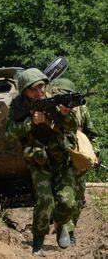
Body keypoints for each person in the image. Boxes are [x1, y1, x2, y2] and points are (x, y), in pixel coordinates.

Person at [6, 68, 78, 256]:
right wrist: (31, 122)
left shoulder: (56, 98)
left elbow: (73, 127)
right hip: (38, 159)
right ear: (25, 91)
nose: (39, 92)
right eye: (34, 89)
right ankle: (38, 240)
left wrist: (65, 114)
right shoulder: (18, 106)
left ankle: (60, 224)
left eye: (42, 87)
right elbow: (9, 133)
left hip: (62, 157)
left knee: (67, 203)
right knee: (45, 201)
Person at [48, 78, 100, 247]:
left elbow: (92, 134)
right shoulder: (48, 110)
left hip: (78, 160)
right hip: (58, 161)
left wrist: (94, 153)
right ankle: (61, 224)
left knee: (77, 200)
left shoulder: (81, 110)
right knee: (65, 199)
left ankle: (70, 231)